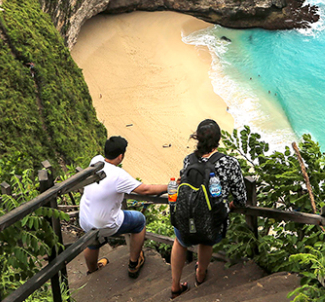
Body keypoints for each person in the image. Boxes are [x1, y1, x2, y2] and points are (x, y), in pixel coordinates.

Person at [169, 119, 247, 298]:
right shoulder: (229, 163)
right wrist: (228, 206)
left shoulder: (188, 160)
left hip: (185, 221)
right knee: (207, 239)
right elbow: (241, 199)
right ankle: (200, 275)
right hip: (212, 225)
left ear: (197, 138)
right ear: (219, 139)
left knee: (180, 241)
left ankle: (175, 286)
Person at [79, 136, 168, 278]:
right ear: (121, 156)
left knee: (92, 240)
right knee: (139, 221)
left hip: (85, 218)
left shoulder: (95, 160)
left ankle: (92, 270)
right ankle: (134, 264)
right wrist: (170, 186)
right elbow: (145, 190)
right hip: (105, 224)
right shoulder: (119, 175)